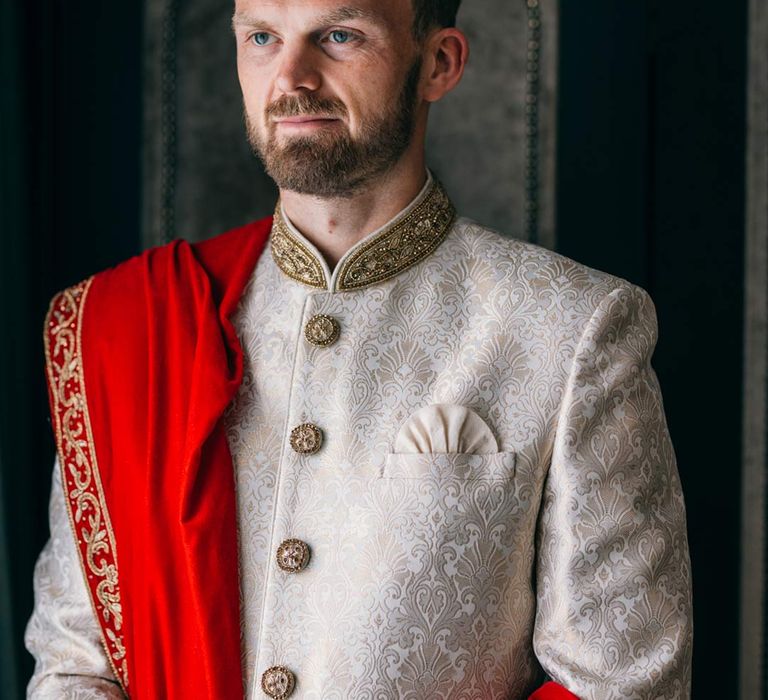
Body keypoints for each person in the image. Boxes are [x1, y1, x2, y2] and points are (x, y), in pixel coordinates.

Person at [25, 0, 693, 698]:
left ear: (439, 63)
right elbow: (76, 661)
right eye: (261, 38)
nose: (291, 77)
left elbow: (621, 681)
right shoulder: (126, 328)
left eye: (338, 36)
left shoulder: (570, 326)